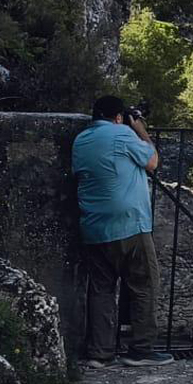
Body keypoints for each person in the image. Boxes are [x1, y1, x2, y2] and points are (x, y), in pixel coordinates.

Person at [70, 95, 170, 367]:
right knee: (144, 283)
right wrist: (139, 128)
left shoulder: (81, 140)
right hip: (128, 224)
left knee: (101, 289)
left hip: (93, 226)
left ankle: (99, 353)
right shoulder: (122, 134)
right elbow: (152, 162)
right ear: (117, 117)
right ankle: (142, 349)